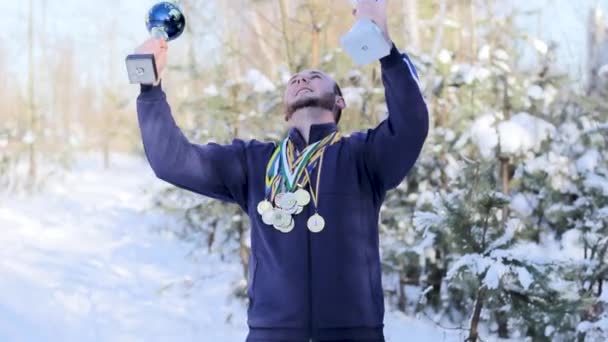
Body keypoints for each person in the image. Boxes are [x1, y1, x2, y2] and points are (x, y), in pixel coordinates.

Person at [134, 0, 428, 341]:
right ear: (285, 110)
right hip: (272, 333)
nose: (303, 79)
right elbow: (172, 161)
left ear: (339, 101)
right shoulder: (254, 163)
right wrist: (149, 89)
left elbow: (411, 126)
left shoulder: (363, 157)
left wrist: (384, 49)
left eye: (315, 77)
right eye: (295, 80)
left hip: (353, 333)